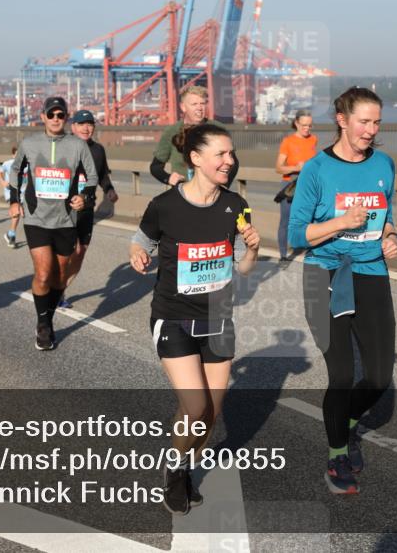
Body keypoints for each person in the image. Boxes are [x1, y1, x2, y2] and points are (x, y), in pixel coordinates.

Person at [129, 123, 260, 515]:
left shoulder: (236, 205)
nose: (229, 161)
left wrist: (253, 248)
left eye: (231, 154)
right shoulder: (165, 205)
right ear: (196, 159)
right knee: (195, 405)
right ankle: (173, 468)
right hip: (173, 318)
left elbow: (246, 268)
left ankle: (183, 465)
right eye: (220, 154)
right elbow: (141, 239)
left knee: (211, 415)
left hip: (218, 319)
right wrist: (137, 254)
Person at [287, 87, 397, 495]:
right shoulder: (317, 170)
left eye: (376, 123)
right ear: (342, 119)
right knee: (341, 374)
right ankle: (337, 455)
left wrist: (392, 236)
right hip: (325, 274)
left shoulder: (384, 164)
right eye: (363, 122)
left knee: (379, 375)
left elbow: (384, 217)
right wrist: (341, 223)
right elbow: (296, 234)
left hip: (371, 272)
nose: (371, 130)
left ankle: (348, 423)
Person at [8, 97, 98, 350]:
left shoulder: (77, 145)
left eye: (61, 115)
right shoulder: (29, 143)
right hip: (36, 217)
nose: (56, 119)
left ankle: (48, 315)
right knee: (44, 272)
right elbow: (15, 171)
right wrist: (14, 201)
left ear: (66, 118)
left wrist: (85, 198)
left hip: (66, 220)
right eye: (52, 114)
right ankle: (43, 324)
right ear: (44, 117)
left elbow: (91, 176)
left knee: (59, 277)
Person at [60, 109, 118, 306]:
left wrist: (109, 190)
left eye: (90, 124)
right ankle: (55, 288)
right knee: (65, 252)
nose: (86, 128)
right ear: (73, 126)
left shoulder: (98, 150)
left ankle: (61, 290)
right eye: (82, 124)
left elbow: (102, 175)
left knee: (80, 252)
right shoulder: (62, 146)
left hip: (87, 208)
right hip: (64, 209)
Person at [150, 86, 239, 188]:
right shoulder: (172, 131)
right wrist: (168, 178)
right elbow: (155, 167)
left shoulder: (218, 129)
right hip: (182, 194)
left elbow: (234, 162)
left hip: (212, 193)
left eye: (202, 103)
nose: (199, 108)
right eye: (194, 104)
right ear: (183, 107)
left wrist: (224, 186)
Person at [274, 109, 317, 264]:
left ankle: (312, 252)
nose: (307, 128)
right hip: (290, 184)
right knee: (286, 220)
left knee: (310, 219)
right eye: (304, 125)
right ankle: (283, 256)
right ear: (296, 123)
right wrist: (296, 168)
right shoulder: (288, 142)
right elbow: (279, 168)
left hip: (308, 185)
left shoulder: (313, 140)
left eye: (310, 125)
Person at [0, 145, 21, 247]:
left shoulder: (28, 164)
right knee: (16, 212)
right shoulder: (7, 163)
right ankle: (11, 236)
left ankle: (10, 234)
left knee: (21, 214)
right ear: (13, 155)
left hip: (23, 193)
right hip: (10, 193)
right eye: (17, 154)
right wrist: (2, 182)